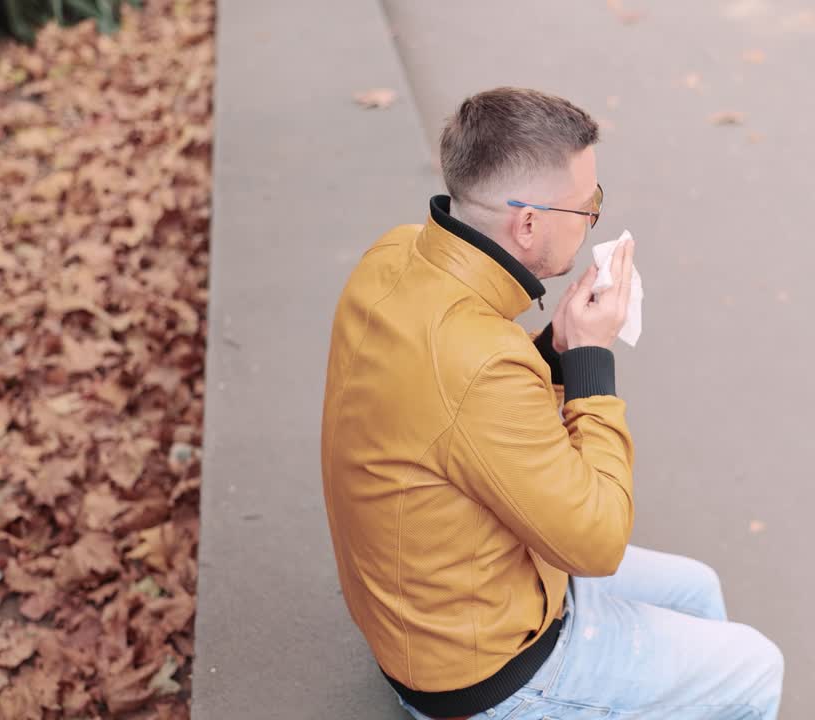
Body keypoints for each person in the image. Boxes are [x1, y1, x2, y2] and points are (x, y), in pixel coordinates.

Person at [320, 87, 784, 720]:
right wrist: (591, 361)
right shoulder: (480, 359)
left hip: (448, 597)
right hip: (485, 670)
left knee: (697, 589)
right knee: (757, 669)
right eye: (587, 205)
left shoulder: (396, 255)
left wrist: (557, 349)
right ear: (529, 222)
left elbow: (453, 410)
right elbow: (596, 542)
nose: (594, 215)